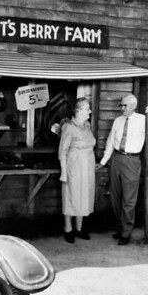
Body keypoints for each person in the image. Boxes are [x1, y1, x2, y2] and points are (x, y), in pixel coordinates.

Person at [97, 94, 148, 245]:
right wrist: (103, 161)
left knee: (129, 199)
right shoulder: (117, 121)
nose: (122, 108)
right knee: (115, 196)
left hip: (132, 161)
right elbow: (110, 141)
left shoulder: (142, 119)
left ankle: (126, 233)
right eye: (121, 105)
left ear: (133, 106)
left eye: (125, 105)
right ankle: (120, 229)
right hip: (117, 160)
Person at [58, 97, 96, 244]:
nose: (90, 111)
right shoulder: (68, 127)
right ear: (79, 111)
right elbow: (63, 152)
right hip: (74, 167)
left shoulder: (87, 125)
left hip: (87, 168)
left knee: (83, 197)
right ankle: (67, 229)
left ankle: (79, 228)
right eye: (87, 109)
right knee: (71, 197)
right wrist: (63, 172)